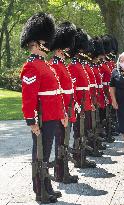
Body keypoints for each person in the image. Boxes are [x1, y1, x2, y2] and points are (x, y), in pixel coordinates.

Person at [20, 12, 66, 203]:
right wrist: (31, 120)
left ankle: (47, 185)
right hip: (42, 118)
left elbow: (56, 93)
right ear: (38, 43)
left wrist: (62, 113)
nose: (48, 44)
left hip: (52, 116)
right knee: (40, 154)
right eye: (45, 41)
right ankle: (40, 190)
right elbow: (29, 98)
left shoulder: (45, 65)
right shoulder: (31, 66)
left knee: (45, 153)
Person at [49, 21, 78, 183]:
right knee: (61, 143)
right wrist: (63, 113)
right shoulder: (54, 65)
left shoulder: (62, 65)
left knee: (64, 143)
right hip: (62, 111)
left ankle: (63, 171)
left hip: (68, 109)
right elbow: (57, 93)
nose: (68, 50)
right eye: (66, 48)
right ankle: (60, 173)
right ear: (61, 48)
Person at [67, 28, 96, 168]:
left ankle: (82, 156)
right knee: (79, 132)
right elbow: (73, 88)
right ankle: (78, 158)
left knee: (84, 131)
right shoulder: (73, 66)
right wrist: (78, 106)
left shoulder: (80, 65)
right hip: (79, 105)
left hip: (86, 103)